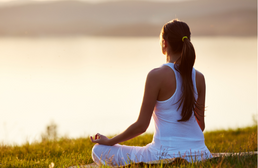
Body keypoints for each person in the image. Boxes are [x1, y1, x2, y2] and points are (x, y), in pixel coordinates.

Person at [90, 19, 212, 166]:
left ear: (165, 43)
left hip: (163, 155)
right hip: (201, 153)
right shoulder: (199, 77)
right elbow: (201, 126)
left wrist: (110, 141)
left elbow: (142, 126)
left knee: (98, 150)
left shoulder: (156, 75)